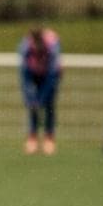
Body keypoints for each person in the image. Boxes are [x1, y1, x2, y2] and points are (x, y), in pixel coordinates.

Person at [19, 26, 61, 155]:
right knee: (32, 106)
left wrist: (41, 99)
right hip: (34, 74)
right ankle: (32, 137)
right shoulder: (26, 46)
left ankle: (49, 138)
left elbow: (52, 76)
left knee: (49, 105)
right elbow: (24, 76)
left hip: (49, 74)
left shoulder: (52, 45)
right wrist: (30, 98)